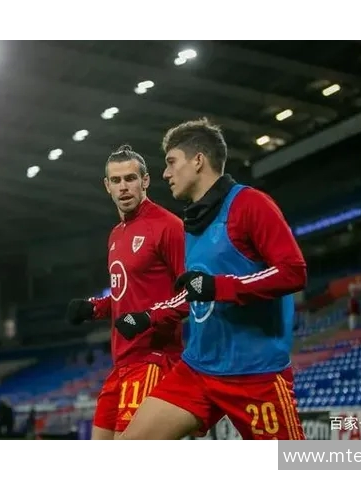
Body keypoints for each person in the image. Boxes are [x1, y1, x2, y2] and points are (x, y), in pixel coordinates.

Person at [114, 118, 308, 440]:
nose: (165, 173)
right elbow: (197, 291)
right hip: (198, 369)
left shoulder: (250, 204)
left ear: (198, 160)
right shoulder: (194, 222)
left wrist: (220, 286)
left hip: (254, 374)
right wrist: (148, 317)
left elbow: (293, 271)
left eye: (171, 162)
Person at [65, 145, 187, 439]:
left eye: (130, 178)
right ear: (107, 186)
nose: (123, 187)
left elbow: (193, 294)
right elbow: (126, 295)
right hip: (121, 362)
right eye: (116, 180)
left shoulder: (168, 226)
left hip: (153, 358)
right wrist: (95, 308)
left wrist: (148, 318)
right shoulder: (116, 234)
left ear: (145, 181)